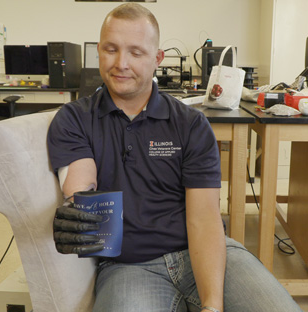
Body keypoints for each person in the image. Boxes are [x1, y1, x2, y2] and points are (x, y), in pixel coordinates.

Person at [47, 3, 302, 312]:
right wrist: (76, 213)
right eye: (110, 49)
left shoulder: (190, 124)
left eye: (136, 53)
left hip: (204, 252)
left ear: (157, 59)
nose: (121, 63)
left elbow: (204, 218)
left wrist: (212, 305)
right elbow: (81, 184)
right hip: (129, 267)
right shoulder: (74, 118)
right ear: (99, 50)